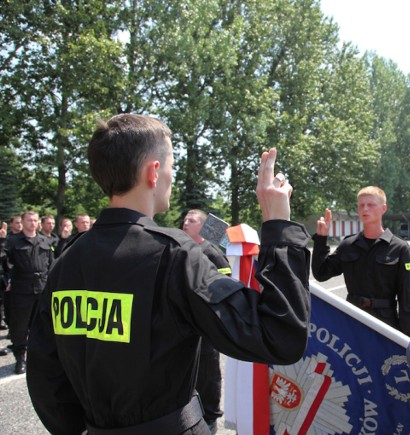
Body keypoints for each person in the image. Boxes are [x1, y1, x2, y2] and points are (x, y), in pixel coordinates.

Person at [26, 113, 311, 435]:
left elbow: (44, 374)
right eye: (171, 165)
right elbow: (280, 336)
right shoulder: (174, 255)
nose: (172, 177)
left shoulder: (67, 261)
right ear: (154, 172)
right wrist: (279, 227)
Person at [311, 186, 410, 336]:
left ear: (383, 208)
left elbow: (409, 296)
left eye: (371, 205)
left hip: (385, 324)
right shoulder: (348, 245)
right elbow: (321, 273)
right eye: (361, 205)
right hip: (353, 320)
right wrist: (321, 239)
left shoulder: (399, 248)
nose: (365, 209)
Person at [182, 209, 232, 433]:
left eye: (191, 220)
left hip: (205, 326)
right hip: (185, 324)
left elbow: (226, 283)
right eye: (185, 219)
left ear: (202, 227)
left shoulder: (211, 252)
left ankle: (210, 420)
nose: (185, 222)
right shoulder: (183, 248)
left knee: (208, 373)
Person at [0, 210, 55, 374]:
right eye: (29, 220)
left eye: (35, 220)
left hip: (42, 288)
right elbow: (3, 261)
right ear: (23, 222)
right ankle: (20, 359)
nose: (32, 223)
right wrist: (1, 240)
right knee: (20, 328)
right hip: (21, 290)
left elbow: (52, 265)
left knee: (43, 326)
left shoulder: (45, 241)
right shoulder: (12, 241)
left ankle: (41, 358)